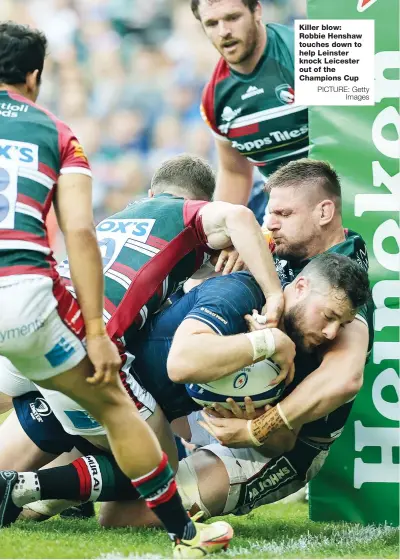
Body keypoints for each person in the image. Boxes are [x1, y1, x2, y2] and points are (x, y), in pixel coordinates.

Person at [0, 22, 235, 557]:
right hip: (29, 296)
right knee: (116, 411)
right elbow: (80, 233)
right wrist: (96, 333)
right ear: (34, 76)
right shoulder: (58, 135)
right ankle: (185, 535)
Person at [0, 252, 371, 527]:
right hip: (106, 378)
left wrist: (254, 429)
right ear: (301, 286)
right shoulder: (242, 290)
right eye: (328, 317)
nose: (331, 334)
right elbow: (182, 363)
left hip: (139, 407)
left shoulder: (312, 349)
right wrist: (267, 343)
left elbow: (283, 443)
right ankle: (44, 488)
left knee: (122, 516)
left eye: (342, 323)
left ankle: (43, 486)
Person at [192, 0, 309, 221]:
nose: (224, 31)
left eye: (233, 18)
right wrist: (223, 237)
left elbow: (353, 132)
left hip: (343, 201)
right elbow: (235, 172)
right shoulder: (213, 98)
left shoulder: (309, 51)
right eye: (212, 23)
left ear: (257, 11)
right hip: (282, 215)